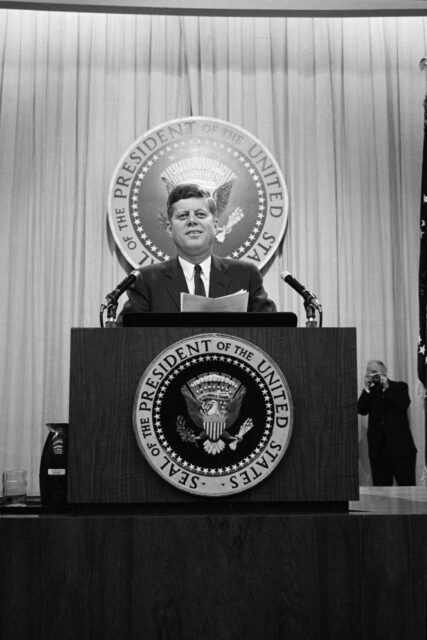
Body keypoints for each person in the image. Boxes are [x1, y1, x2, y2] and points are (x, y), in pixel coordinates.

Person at [117, 183, 276, 320]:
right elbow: (128, 340)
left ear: (215, 225)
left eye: (200, 214)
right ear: (169, 228)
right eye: (183, 215)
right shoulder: (146, 281)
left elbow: (273, 332)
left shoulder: (245, 275)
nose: (192, 221)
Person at [357, 359, 417, 486]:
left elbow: (402, 405)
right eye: (368, 372)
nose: (371, 375)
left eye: (374, 372)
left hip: (401, 450)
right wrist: (367, 390)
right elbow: (361, 410)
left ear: (383, 372)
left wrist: (386, 388)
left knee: (407, 488)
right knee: (381, 491)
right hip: (378, 451)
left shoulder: (399, 387)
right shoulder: (370, 393)